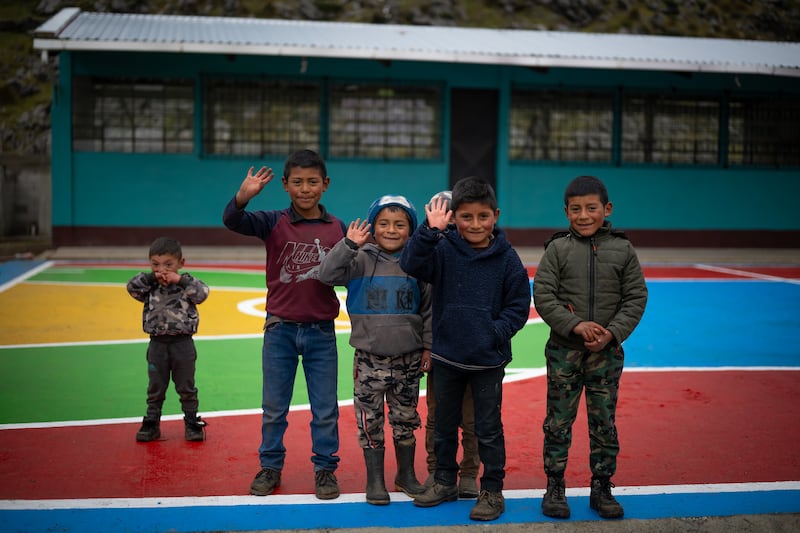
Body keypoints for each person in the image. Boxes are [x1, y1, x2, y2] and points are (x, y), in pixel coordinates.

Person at [400, 177, 531, 521]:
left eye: (483, 216)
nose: (475, 224)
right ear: (454, 216)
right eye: (467, 217)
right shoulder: (442, 249)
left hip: (488, 361)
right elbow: (411, 263)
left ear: (496, 215)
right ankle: (443, 480)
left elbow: (518, 307)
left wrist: (493, 333)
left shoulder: (507, 259)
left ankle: (492, 490)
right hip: (446, 358)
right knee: (443, 425)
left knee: (488, 429)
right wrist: (429, 230)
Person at [222, 149, 346, 500]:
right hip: (280, 330)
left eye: (312, 182)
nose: (305, 189)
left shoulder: (338, 228)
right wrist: (242, 197)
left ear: (325, 185)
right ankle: (270, 467)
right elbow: (233, 220)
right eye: (297, 182)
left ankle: (325, 469)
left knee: (325, 408)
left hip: (322, 332)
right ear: (285, 185)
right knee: (274, 407)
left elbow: (352, 273)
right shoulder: (273, 221)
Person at [533, 175, 648, 520]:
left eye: (591, 208)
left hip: (606, 355)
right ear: (566, 212)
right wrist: (575, 325)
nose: (584, 216)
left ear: (607, 209)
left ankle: (602, 486)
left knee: (603, 422)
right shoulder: (557, 249)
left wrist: (612, 333)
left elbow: (636, 297)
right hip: (564, 352)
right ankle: (555, 485)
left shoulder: (623, 249)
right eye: (576, 209)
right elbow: (543, 294)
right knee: (558, 421)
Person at [318, 195, 430, 505]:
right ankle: (375, 480)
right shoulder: (359, 259)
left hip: (409, 357)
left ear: (411, 229)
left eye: (399, 224)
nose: (391, 230)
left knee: (406, 418)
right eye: (383, 223)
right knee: (370, 420)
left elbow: (430, 308)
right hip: (368, 358)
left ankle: (405, 475)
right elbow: (326, 275)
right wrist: (348, 245)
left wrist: (428, 347)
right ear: (372, 226)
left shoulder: (418, 261)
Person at [421, 190, 480, 499]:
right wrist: (428, 346)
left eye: (452, 214)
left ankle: (469, 473)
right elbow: (425, 309)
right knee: (436, 416)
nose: (448, 221)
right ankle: (437, 469)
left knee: (472, 418)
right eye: (439, 214)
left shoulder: (482, 251)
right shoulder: (430, 256)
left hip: (475, 353)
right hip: (442, 352)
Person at [126, 237, 210, 442]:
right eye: (155, 264)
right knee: (155, 386)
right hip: (157, 345)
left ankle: (192, 422)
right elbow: (131, 288)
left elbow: (202, 294)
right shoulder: (150, 287)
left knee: (186, 387)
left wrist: (179, 279)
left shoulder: (187, 284)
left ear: (181, 263)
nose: (162, 269)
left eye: (168, 265)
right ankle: (152, 423)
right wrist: (150, 277)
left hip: (183, 344)